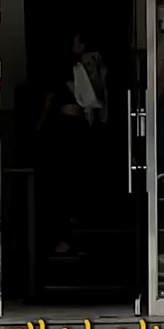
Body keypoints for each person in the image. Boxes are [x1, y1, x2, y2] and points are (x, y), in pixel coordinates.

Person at [35, 32, 106, 254]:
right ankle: (68, 231)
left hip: (73, 124)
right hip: (70, 125)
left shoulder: (87, 66)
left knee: (72, 177)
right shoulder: (72, 67)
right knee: (69, 178)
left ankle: (72, 230)